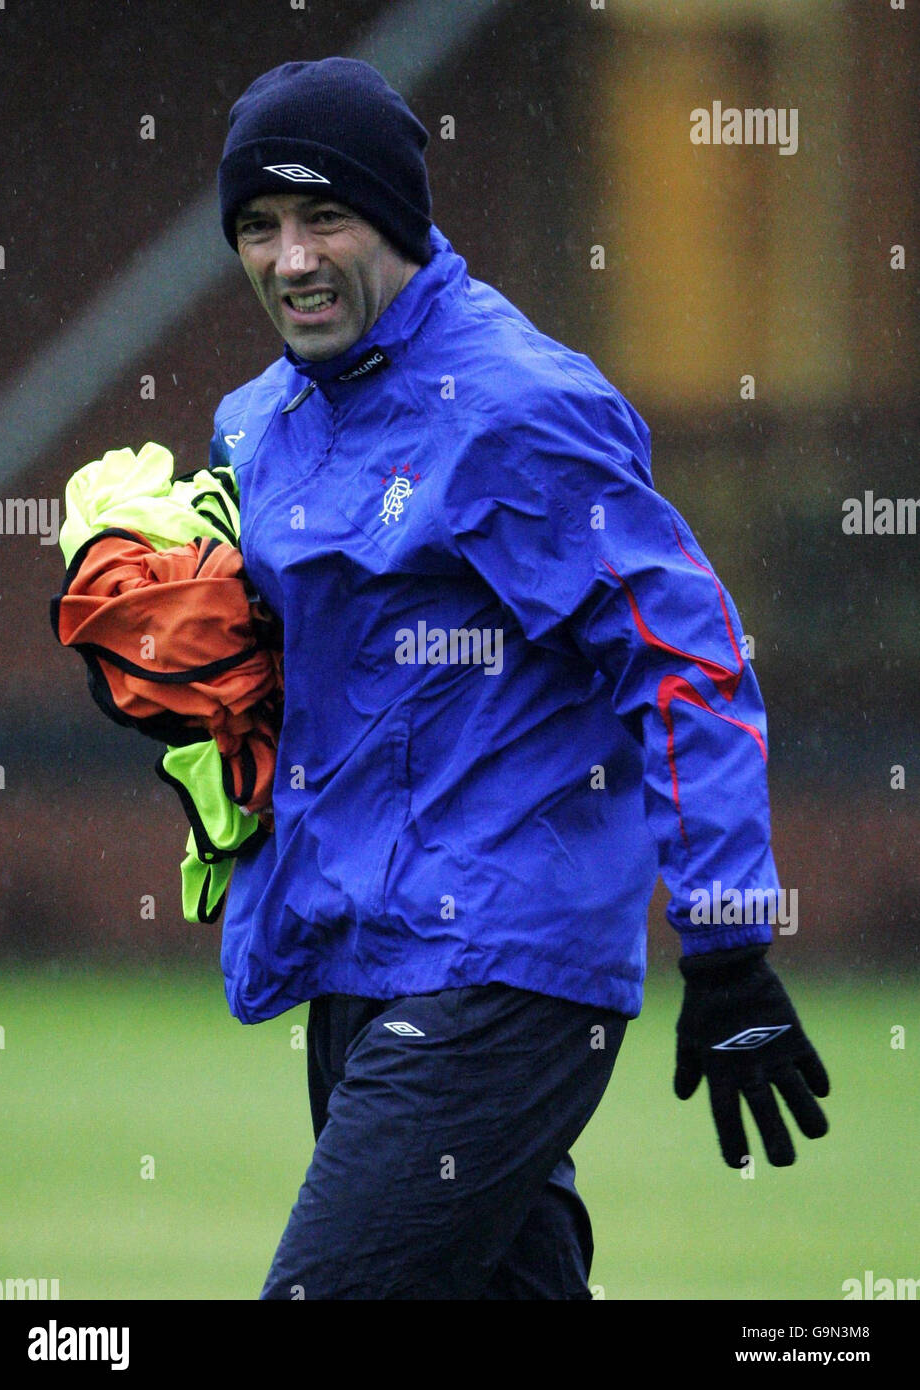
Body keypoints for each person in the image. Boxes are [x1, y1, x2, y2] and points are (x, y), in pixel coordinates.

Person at [211, 57, 830, 1301]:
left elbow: (686, 653)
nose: (291, 259)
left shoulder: (514, 407)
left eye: (326, 215)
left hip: (499, 972)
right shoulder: (255, 422)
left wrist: (726, 946)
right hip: (354, 958)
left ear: (400, 218)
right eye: (259, 227)